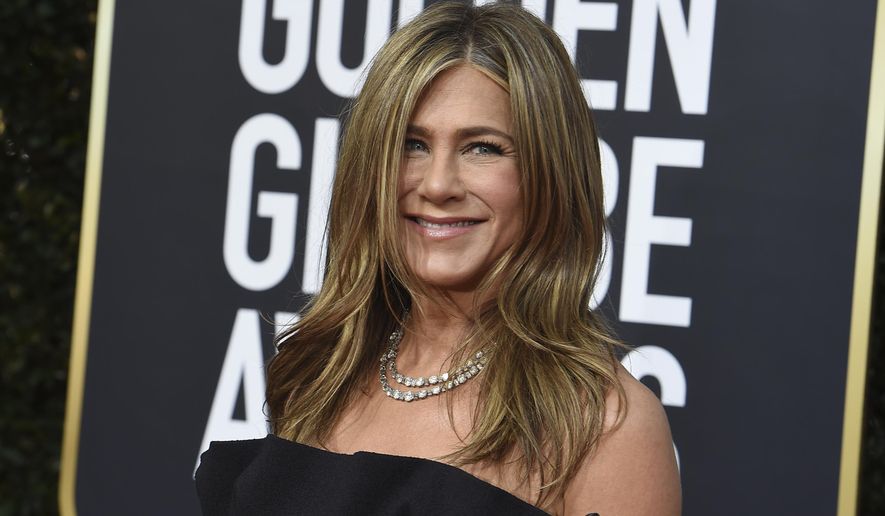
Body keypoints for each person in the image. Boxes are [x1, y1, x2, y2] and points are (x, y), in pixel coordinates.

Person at [196, 2, 680, 514]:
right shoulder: (317, 372)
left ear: (551, 174)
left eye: (483, 148)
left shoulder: (604, 426)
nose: (437, 184)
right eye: (412, 144)